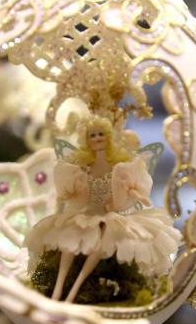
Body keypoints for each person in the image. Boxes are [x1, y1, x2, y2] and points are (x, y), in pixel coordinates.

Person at [25, 115, 182, 303]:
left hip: (111, 216)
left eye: (101, 134)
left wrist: (137, 196)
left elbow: (127, 190)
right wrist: (67, 195)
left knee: (102, 243)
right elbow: (77, 196)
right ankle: (58, 289)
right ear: (86, 140)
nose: (97, 138)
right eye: (92, 135)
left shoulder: (119, 168)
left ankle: (75, 288)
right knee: (69, 243)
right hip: (87, 214)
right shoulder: (83, 169)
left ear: (108, 137)